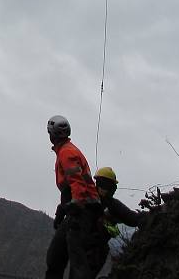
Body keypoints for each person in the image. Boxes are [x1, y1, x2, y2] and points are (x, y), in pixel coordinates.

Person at [45, 115, 102, 279]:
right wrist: (62, 211)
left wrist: (76, 205)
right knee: (55, 256)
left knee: (76, 258)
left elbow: (76, 183)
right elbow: (71, 189)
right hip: (79, 208)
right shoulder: (66, 151)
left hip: (82, 210)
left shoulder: (67, 152)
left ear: (51, 134)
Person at [91, 167, 141, 275]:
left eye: (109, 186)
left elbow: (133, 219)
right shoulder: (88, 200)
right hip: (85, 246)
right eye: (103, 185)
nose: (105, 189)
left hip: (96, 247)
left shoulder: (113, 205)